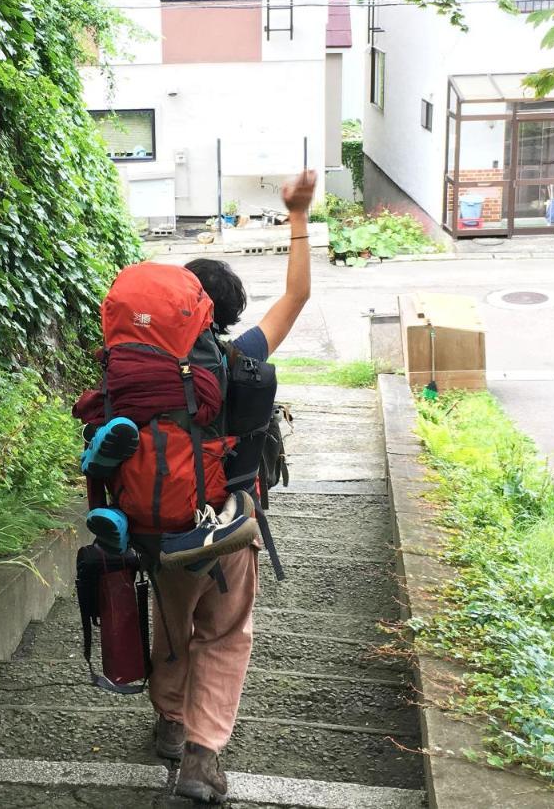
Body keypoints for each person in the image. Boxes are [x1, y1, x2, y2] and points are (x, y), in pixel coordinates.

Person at [151, 169, 317, 804]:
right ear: (231, 312)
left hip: (159, 519)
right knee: (224, 631)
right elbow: (297, 298)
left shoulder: (151, 370)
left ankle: (169, 722)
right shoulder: (243, 355)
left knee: (170, 624)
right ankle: (201, 756)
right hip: (229, 521)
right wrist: (297, 216)